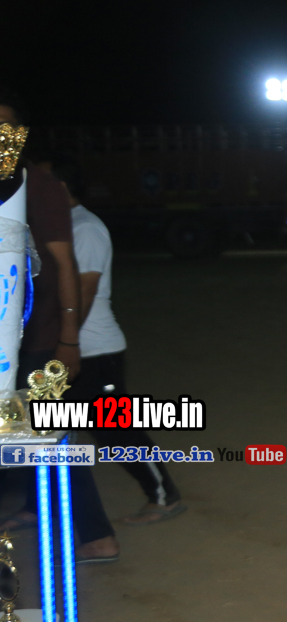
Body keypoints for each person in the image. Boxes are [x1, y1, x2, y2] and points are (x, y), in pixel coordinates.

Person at [0, 93, 119, 563]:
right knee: (17, 437)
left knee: (51, 437)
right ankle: (36, 507)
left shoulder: (40, 185)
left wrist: (68, 339)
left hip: (37, 339)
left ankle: (97, 535)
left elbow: (64, 263)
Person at [50, 159, 185, 525]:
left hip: (93, 350)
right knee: (48, 428)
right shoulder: (60, 228)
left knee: (115, 431)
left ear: (60, 188)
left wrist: (65, 344)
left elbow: (85, 291)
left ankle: (163, 496)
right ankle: (40, 506)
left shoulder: (85, 228)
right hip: (71, 347)